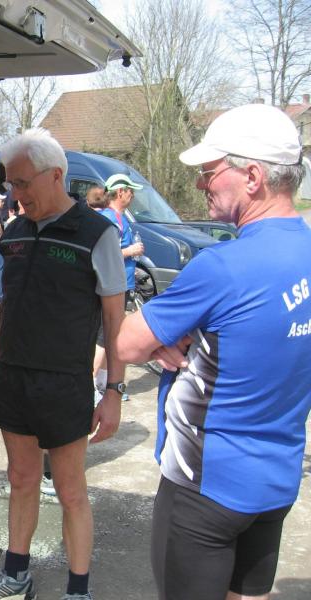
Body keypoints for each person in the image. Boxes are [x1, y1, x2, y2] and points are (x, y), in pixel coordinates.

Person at [116, 104, 311, 600]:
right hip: (276, 480)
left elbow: (125, 342)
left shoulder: (223, 265)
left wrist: (165, 339)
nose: (201, 184)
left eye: (209, 171)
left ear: (253, 177)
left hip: (205, 485)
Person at [0, 128, 127, 600]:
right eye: (11, 184)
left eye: (22, 183)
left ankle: (78, 591)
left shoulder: (98, 234)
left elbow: (115, 322)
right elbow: (8, 314)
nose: (16, 194)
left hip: (64, 383)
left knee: (71, 491)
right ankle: (16, 577)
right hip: (13, 378)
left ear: (55, 175)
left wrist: (113, 391)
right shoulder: (14, 233)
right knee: (20, 478)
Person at [92, 175, 145, 399]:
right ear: (120, 192)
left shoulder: (119, 218)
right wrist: (131, 251)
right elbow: (105, 254)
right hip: (111, 288)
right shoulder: (110, 219)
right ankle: (91, 385)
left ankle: (104, 383)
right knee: (104, 337)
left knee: (112, 337)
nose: (133, 195)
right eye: (131, 190)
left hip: (122, 285)